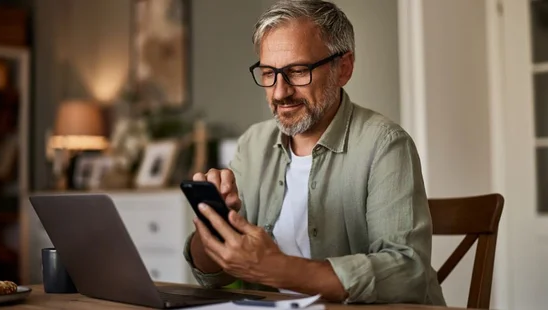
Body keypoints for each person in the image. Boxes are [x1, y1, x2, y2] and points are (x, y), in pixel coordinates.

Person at [183, 0, 446, 305]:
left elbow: (406, 274)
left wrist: (279, 269)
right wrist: (213, 228)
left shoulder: (385, 145)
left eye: (297, 71)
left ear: (343, 68)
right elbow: (212, 275)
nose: (280, 92)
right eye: (269, 73)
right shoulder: (253, 144)